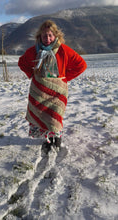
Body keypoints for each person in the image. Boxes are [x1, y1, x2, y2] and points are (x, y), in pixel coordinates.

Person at [18, 20, 87, 152]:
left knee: (55, 116)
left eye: (50, 35)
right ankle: (48, 140)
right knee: (42, 114)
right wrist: (32, 74)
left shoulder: (63, 50)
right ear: (40, 37)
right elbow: (22, 62)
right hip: (39, 90)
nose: (47, 38)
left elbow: (81, 65)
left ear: (55, 36)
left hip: (57, 91)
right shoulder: (33, 51)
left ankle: (58, 139)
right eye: (45, 36)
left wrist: (65, 79)